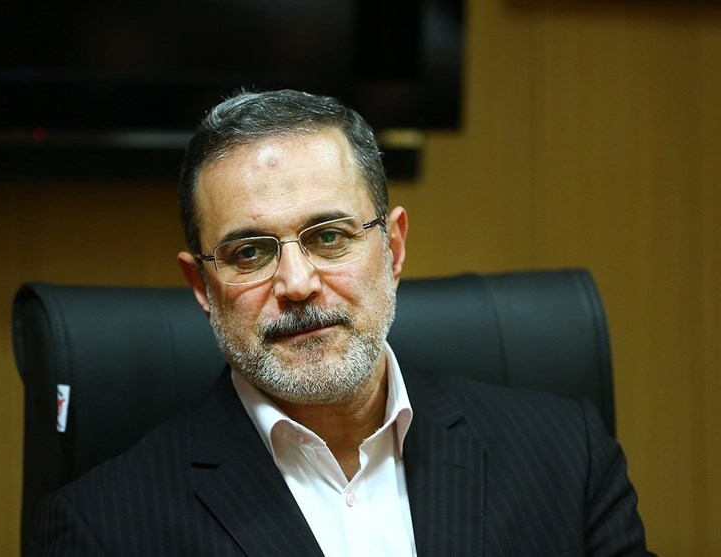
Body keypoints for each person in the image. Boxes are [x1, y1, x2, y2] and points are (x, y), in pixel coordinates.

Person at [34, 90, 652, 556]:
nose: (297, 284)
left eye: (329, 237)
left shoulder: (566, 458)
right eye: (250, 252)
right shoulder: (103, 529)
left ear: (394, 248)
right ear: (202, 286)